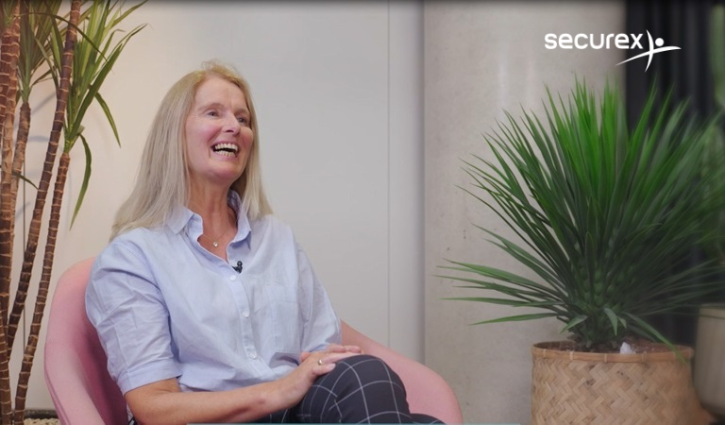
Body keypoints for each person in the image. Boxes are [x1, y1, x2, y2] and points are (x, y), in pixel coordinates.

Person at [86, 60, 443, 425]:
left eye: (243, 119)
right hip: (210, 419)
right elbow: (152, 407)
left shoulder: (277, 237)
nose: (234, 127)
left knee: (387, 393)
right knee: (374, 383)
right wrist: (277, 391)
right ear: (173, 134)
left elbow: (320, 353)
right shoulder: (132, 257)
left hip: (293, 412)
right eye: (214, 113)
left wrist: (303, 379)